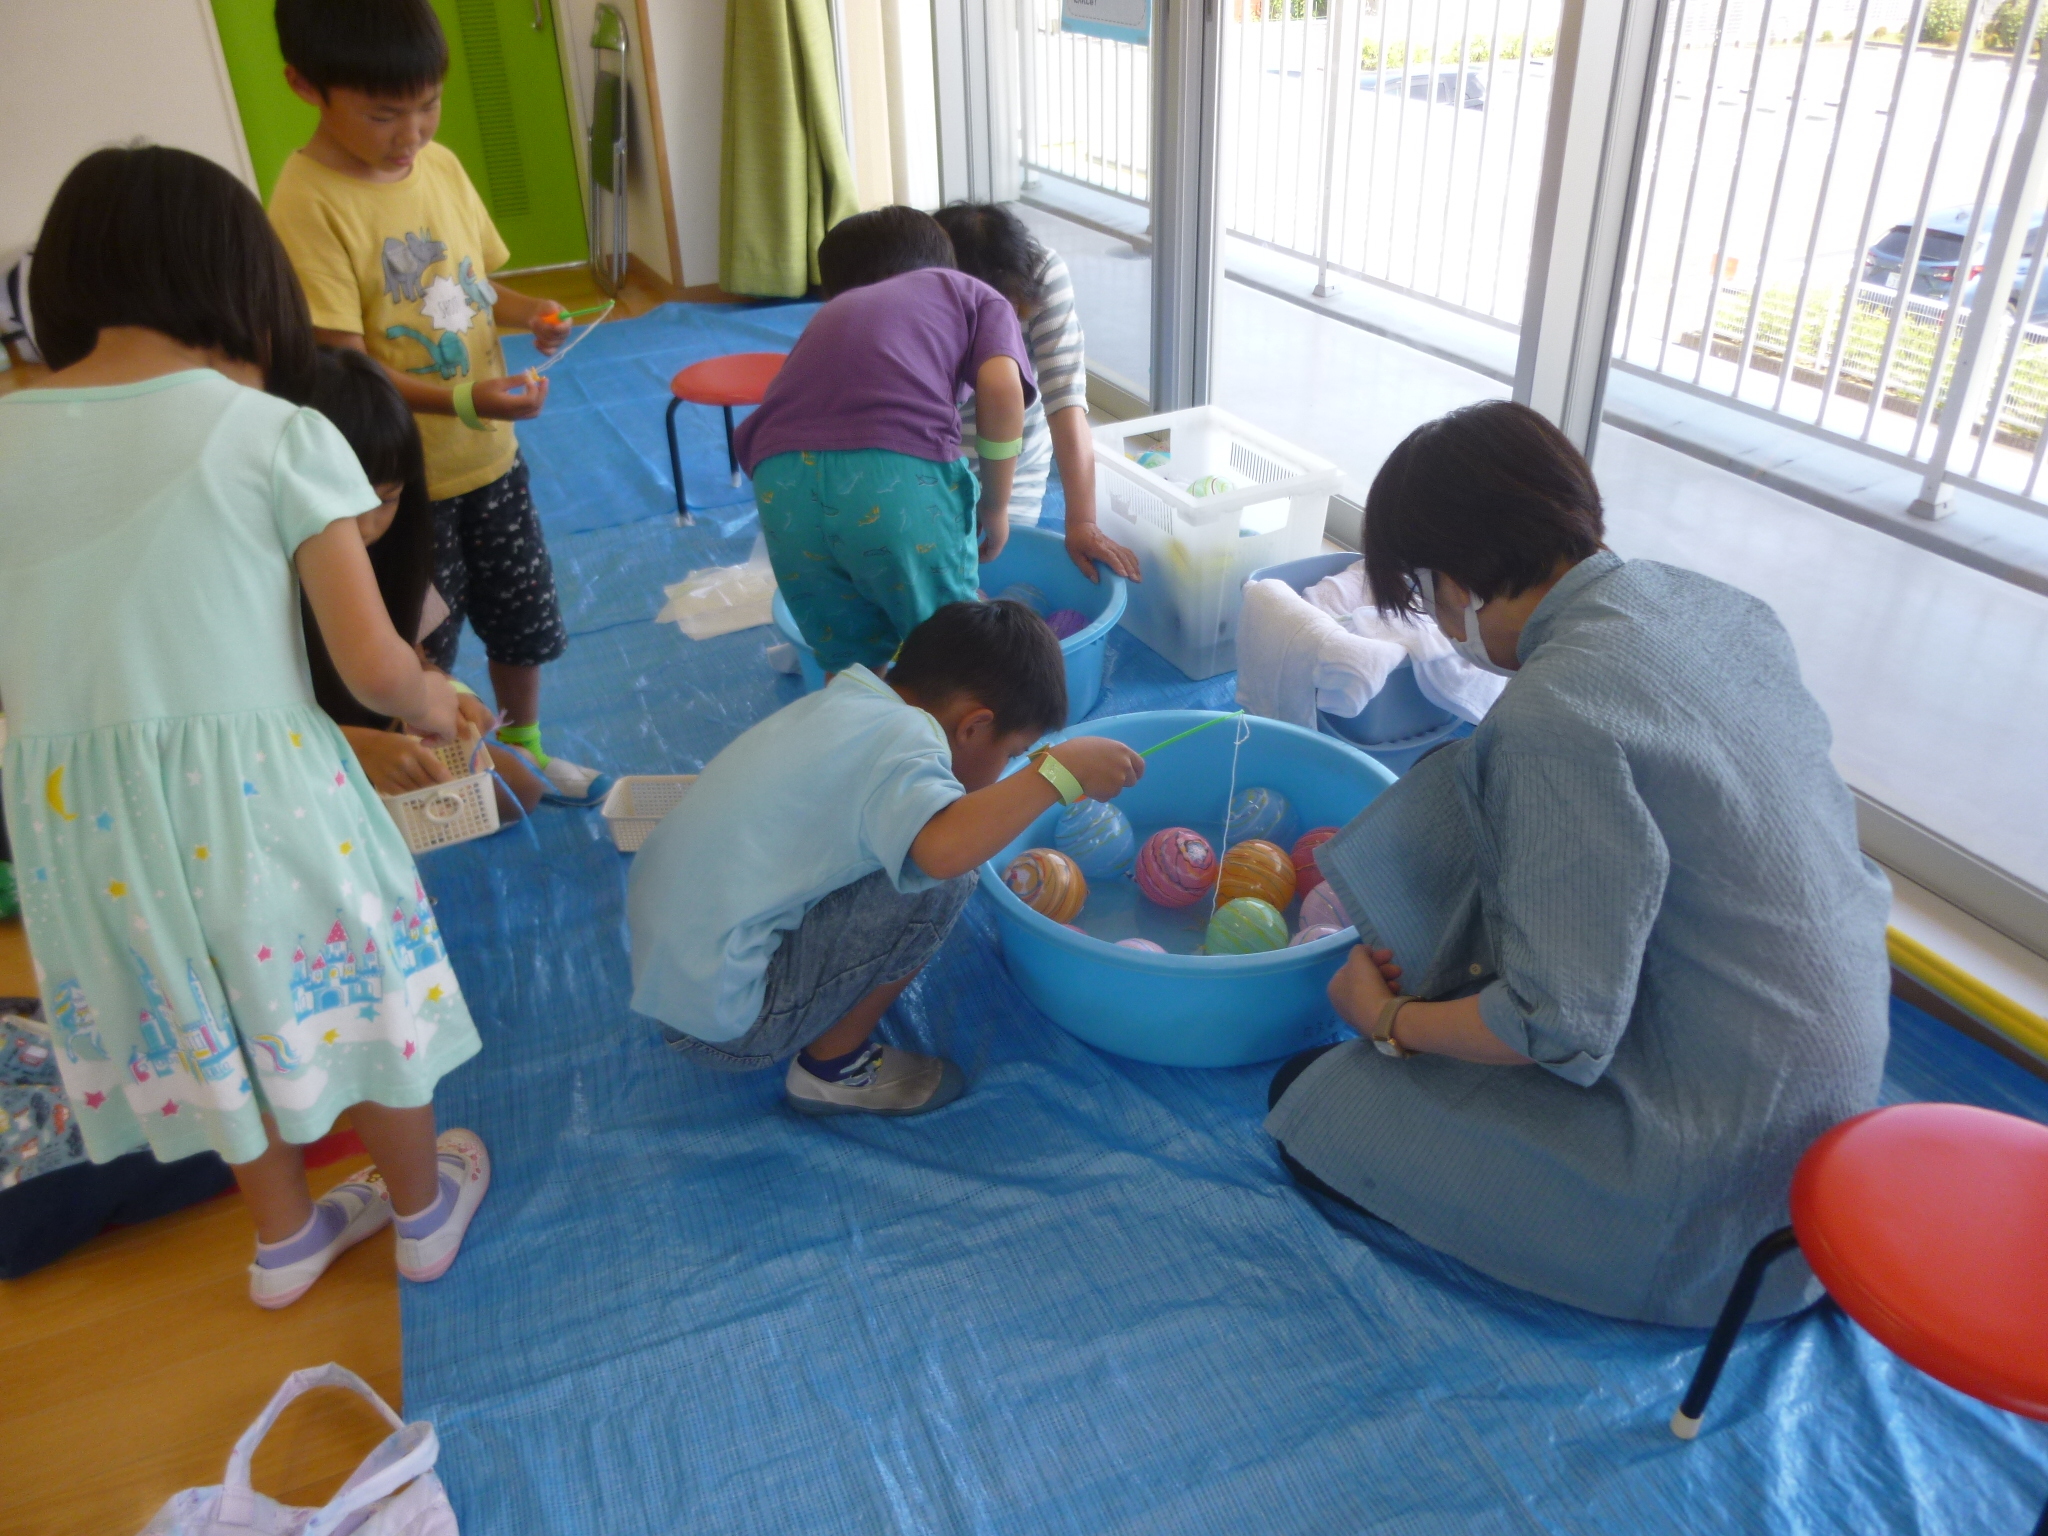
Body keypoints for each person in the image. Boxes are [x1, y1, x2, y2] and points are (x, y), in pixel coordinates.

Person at [1264, 401, 1891, 1328]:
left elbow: (1558, 1028)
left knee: (1313, 1103)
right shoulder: (1712, 605)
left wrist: (1389, 1019)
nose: (1441, 625)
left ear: (1461, 579)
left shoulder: (1555, 720)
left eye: (1430, 599)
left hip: (1732, 1188)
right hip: (1836, 1099)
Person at [0, 146, 492, 1308]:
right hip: (258, 802)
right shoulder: (275, 433)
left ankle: (283, 1241)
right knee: (351, 995)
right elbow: (374, 666)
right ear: (243, 283)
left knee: (191, 1015)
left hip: (78, 822)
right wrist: (438, 701)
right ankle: (420, 1214)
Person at [266, 0, 609, 806]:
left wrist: (533, 316)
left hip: (492, 459)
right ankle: (450, 767)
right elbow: (344, 370)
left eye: (428, 106)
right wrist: (465, 398)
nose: (412, 133)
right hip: (402, 490)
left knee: (523, 615)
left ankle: (517, 743)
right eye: (386, 114)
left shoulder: (442, 166)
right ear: (304, 86)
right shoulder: (307, 201)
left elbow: (472, 281)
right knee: (424, 644)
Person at [628, 601, 1144, 1116]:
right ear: (974, 726)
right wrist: (1057, 773)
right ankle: (833, 1070)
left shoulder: (851, 697)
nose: (1010, 766)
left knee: (910, 840)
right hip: (729, 1025)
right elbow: (946, 853)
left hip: (673, 975)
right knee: (945, 874)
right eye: (1012, 754)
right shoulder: (909, 740)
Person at [733, 206, 1036, 676]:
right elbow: (1001, 389)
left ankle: (865, 740)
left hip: (779, 484)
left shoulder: (835, 313)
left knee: (851, 667)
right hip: (894, 480)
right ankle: (949, 748)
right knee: (956, 658)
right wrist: (995, 504)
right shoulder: (972, 294)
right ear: (944, 264)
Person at [302, 346, 544, 820]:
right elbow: (252, 727)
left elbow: (415, 659)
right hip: (296, 753)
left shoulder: (392, 555)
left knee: (520, 792)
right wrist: (357, 747)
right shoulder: (269, 577)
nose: (366, 526)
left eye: (387, 499)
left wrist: (455, 697)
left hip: (377, 737)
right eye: (346, 504)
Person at [931, 203, 1140, 586]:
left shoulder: (1042, 272)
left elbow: (1065, 398)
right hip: (929, 456)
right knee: (934, 574)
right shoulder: (920, 286)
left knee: (994, 562)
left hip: (1015, 461)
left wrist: (1082, 521)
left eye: (1004, 308)